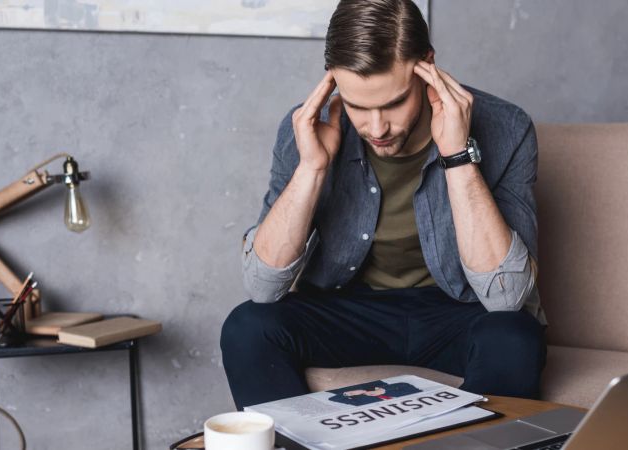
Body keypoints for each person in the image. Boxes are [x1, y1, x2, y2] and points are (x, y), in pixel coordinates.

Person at [221, 0, 546, 411]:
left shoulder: (507, 127)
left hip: (457, 311)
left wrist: (458, 155)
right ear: (333, 80)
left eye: (393, 103)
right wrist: (312, 168)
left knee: (515, 335)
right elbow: (263, 288)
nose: (376, 128)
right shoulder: (307, 126)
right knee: (248, 327)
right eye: (357, 106)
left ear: (426, 66)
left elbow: (508, 298)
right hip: (349, 310)